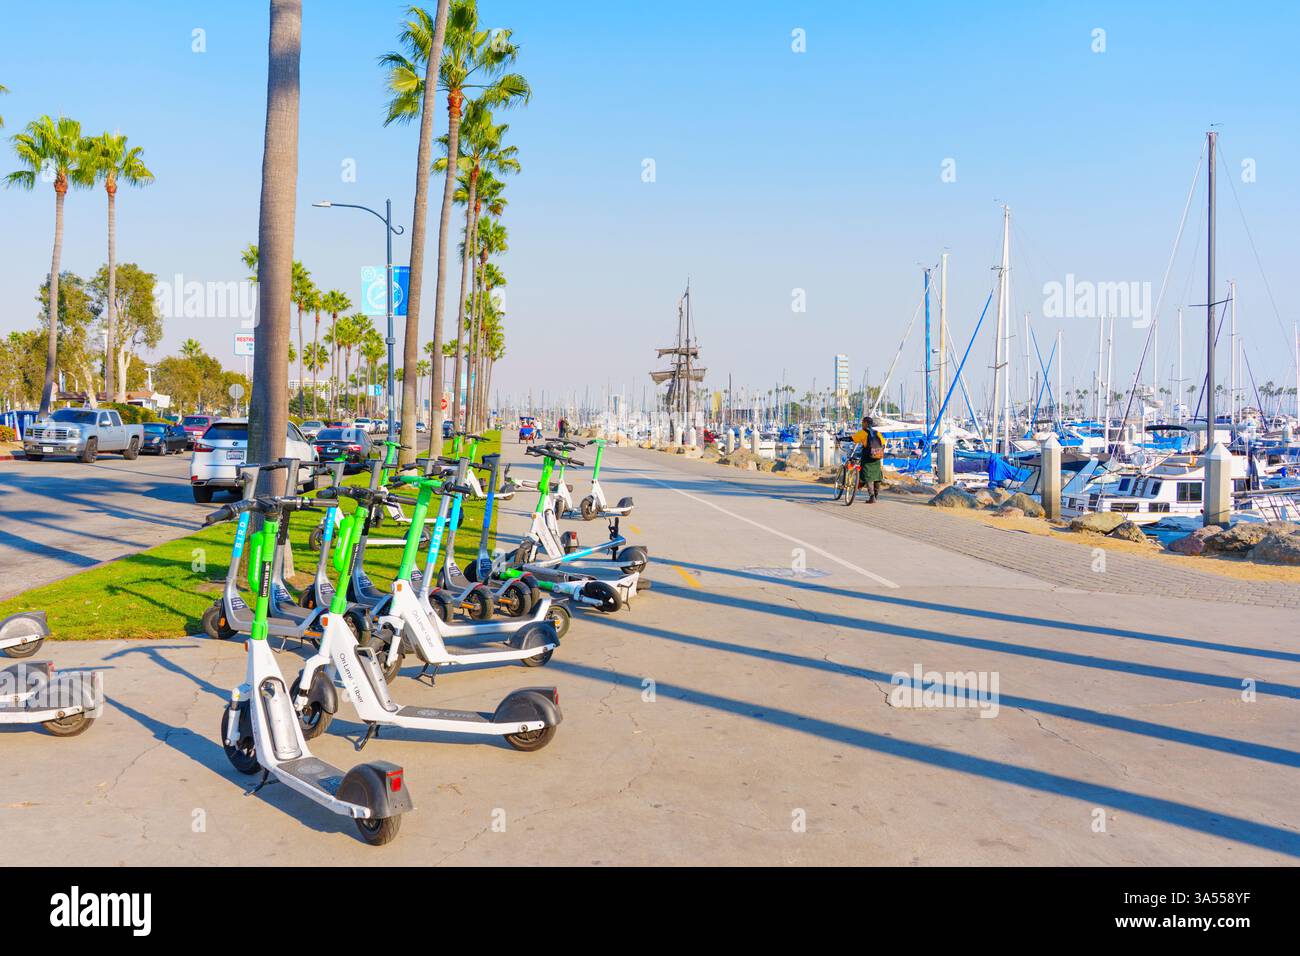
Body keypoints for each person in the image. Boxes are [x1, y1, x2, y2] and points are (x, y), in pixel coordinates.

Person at [851, 416, 885, 503]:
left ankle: (872, 496)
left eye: (863, 422)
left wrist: (840, 439)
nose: (862, 424)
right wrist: (877, 453)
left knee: (868, 477)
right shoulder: (877, 433)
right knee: (877, 476)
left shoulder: (863, 433)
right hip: (877, 458)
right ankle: (876, 496)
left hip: (867, 458)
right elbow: (883, 444)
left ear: (866, 423)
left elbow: (853, 439)